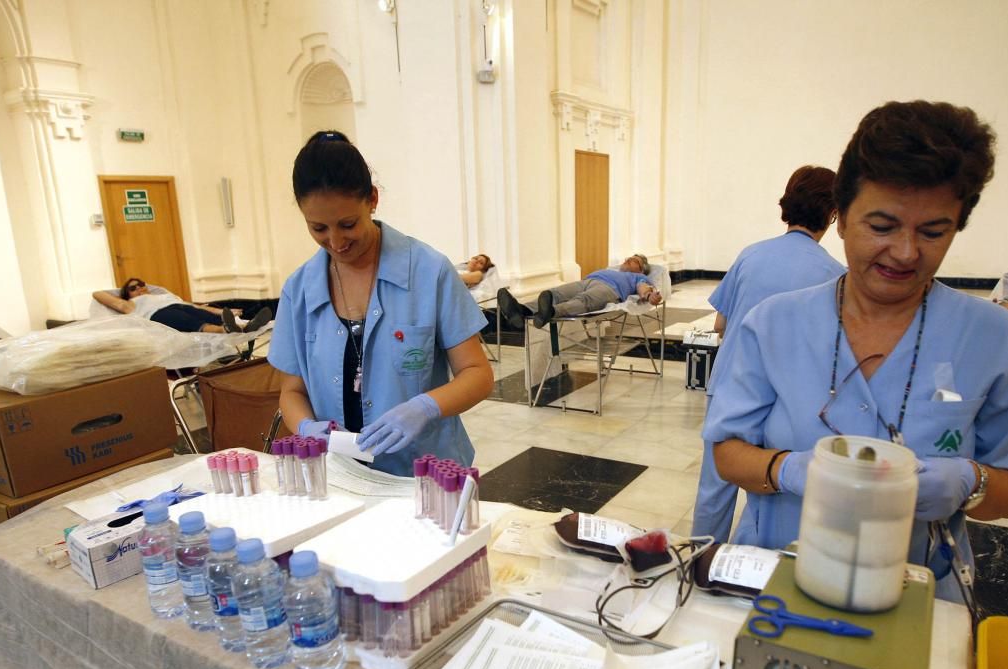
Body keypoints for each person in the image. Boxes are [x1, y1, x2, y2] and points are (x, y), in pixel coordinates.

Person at [703, 100, 1008, 602]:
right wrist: (789, 470)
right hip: (773, 580)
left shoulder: (996, 340)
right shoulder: (773, 325)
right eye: (882, 226)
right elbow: (727, 452)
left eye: (934, 232)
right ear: (842, 217)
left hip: (917, 594)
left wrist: (970, 481)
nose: (906, 252)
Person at [269, 130, 493, 477]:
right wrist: (305, 427)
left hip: (427, 476)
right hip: (341, 475)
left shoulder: (428, 271)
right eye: (318, 228)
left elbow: (478, 375)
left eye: (347, 224)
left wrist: (425, 407)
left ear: (372, 199)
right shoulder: (298, 291)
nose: (336, 242)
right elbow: (292, 392)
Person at [693, 165, 846, 542]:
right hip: (788, 401)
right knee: (774, 494)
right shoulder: (835, 274)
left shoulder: (751, 256)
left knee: (715, 490)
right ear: (833, 213)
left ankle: (699, 566)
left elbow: (719, 326)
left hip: (729, 386)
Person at [497, 254, 662, 329]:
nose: (628, 259)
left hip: (609, 290)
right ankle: (520, 310)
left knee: (584, 300)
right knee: (554, 293)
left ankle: (551, 312)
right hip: (586, 281)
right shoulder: (610, 271)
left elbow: (644, 289)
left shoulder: (637, 278)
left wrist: (649, 295)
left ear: (640, 270)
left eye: (634, 260)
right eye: (629, 257)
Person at [92, 279, 272, 334]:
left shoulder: (165, 296)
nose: (139, 288)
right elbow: (97, 294)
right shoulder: (129, 304)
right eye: (133, 288)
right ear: (127, 294)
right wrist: (118, 292)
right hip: (158, 315)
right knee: (182, 318)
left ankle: (243, 326)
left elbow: (196, 307)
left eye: (141, 284)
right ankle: (222, 330)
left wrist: (222, 311)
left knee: (193, 311)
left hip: (177, 306)